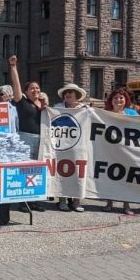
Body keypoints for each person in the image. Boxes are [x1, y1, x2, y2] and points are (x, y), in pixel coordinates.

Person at [102, 88, 138, 215]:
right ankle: (109, 202)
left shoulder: (132, 113)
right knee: (110, 175)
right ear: (111, 101)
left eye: (121, 98)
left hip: (128, 151)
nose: (118, 100)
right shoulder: (105, 113)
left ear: (126, 100)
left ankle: (127, 205)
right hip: (110, 150)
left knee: (127, 177)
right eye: (116, 98)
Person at [54, 83, 88, 212]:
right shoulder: (57, 108)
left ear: (77, 95)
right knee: (62, 172)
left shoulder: (84, 109)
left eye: (71, 92)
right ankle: (62, 200)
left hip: (78, 146)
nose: (68, 94)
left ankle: (76, 201)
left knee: (78, 173)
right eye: (66, 92)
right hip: (62, 146)